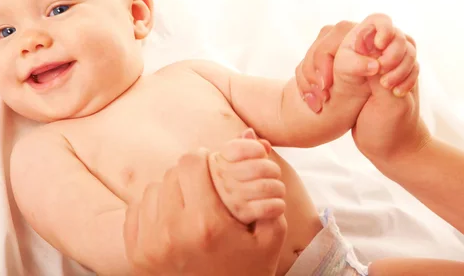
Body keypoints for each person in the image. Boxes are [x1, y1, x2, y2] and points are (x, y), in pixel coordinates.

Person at [0, 0, 457, 274]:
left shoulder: (195, 77)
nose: (31, 40)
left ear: (136, 15)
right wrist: (213, 207)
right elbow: (114, 244)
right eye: (3, 32)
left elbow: (297, 113)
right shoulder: (44, 152)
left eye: (57, 9)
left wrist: (350, 81)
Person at [124, 21, 464, 275]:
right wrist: (407, 150)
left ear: (137, 11)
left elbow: (287, 113)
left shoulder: (189, 76)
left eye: (67, 9)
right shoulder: (68, 151)